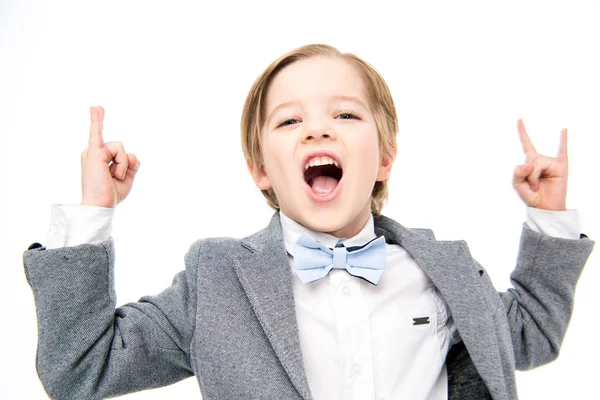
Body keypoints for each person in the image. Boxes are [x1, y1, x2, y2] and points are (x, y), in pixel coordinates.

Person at [23, 44, 594, 400]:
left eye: (345, 114)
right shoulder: (215, 280)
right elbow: (80, 371)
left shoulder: (441, 271)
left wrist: (548, 222)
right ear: (260, 170)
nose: (318, 131)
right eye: (289, 120)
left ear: (385, 156)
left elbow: (531, 337)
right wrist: (93, 213)